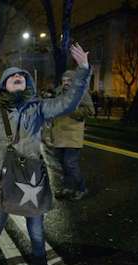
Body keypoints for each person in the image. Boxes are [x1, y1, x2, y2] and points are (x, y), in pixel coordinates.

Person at [0, 43, 91, 265]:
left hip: (32, 181)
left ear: (27, 83)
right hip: (2, 182)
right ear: (4, 85)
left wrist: (83, 69)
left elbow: (68, 103)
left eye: (22, 75)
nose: (19, 75)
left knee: (38, 235)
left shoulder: (38, 107)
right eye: (13, 76)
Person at [41, 70, 93, 201]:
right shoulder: (58, 93)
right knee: (62, 164)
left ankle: (82, 188)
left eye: (69, 80)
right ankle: (68, 187)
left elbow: (89, 110)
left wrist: (71, 109)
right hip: (58, 135)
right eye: (64, 80)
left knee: (70, 164)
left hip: (72, 135)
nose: (66, 83)